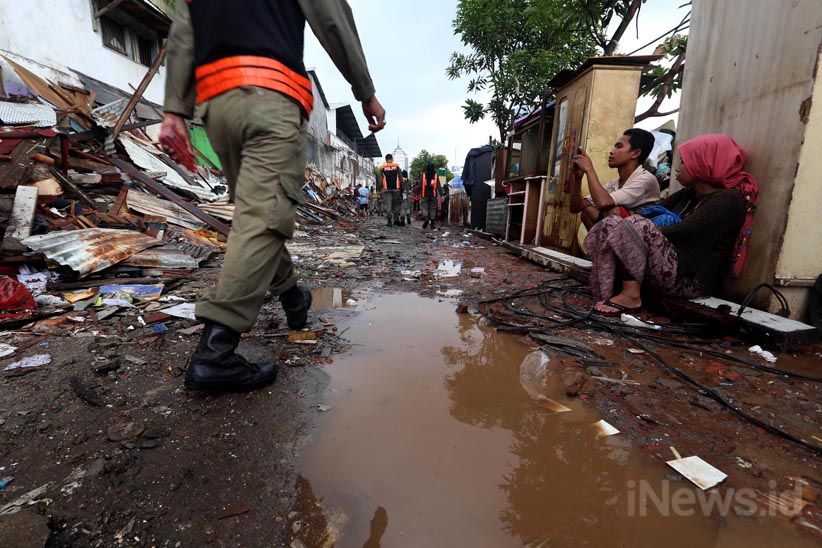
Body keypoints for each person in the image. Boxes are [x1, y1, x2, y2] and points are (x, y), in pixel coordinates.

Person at [161, 0, 385, 392]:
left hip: (217, 109)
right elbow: (331, 16)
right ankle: (215, 353)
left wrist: (174, 110)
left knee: (255, 216)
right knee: (265, 218)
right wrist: (365, 91)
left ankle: (292, 295)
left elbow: (183, 33)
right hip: (271, 98)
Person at [585, 134, 758, 315]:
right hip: (664, 268)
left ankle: (631, 296)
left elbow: (683, 232)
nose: (677, 168)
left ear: (704, 164)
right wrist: (629, 226)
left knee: (636, 225)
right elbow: (648, 212)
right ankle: (605, 289)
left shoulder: (727, 200)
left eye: (684, 162)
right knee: (613, 222)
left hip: (688, 280)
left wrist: (637, 229)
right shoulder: (688, 194)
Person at [570, 129, 660, 229]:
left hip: (644, 240)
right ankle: (602, 244)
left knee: (614, 213)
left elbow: (603, 202)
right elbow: (576, 208)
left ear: (635, 153)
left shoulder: (646, 180)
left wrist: (589, 170)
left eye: (619, 146)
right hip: (622, 237)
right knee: (588, 212)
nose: (612, 151)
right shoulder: (614, 184)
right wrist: (578, 179)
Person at [379, 153, 403, 226]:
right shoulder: (397, 166)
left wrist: (380, 188)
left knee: (388, 205)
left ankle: (389, 221)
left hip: (386, 189)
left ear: (386, 160)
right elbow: (401, 178)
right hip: (396, 189)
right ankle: (396, 220)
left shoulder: (382, 167)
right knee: (396, 204)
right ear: (392, 159)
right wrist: (402, 188)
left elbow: (380, 179)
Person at [420, 163, 439, 229]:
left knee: (424, 207)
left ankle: (426, 219)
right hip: (433, 195)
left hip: (424, 195)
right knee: (433, 209)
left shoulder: (423, 175)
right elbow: (438, 186)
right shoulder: (436, 176)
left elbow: (420, 185)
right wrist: (442, 195)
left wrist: (415, 192)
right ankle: (432, 224)